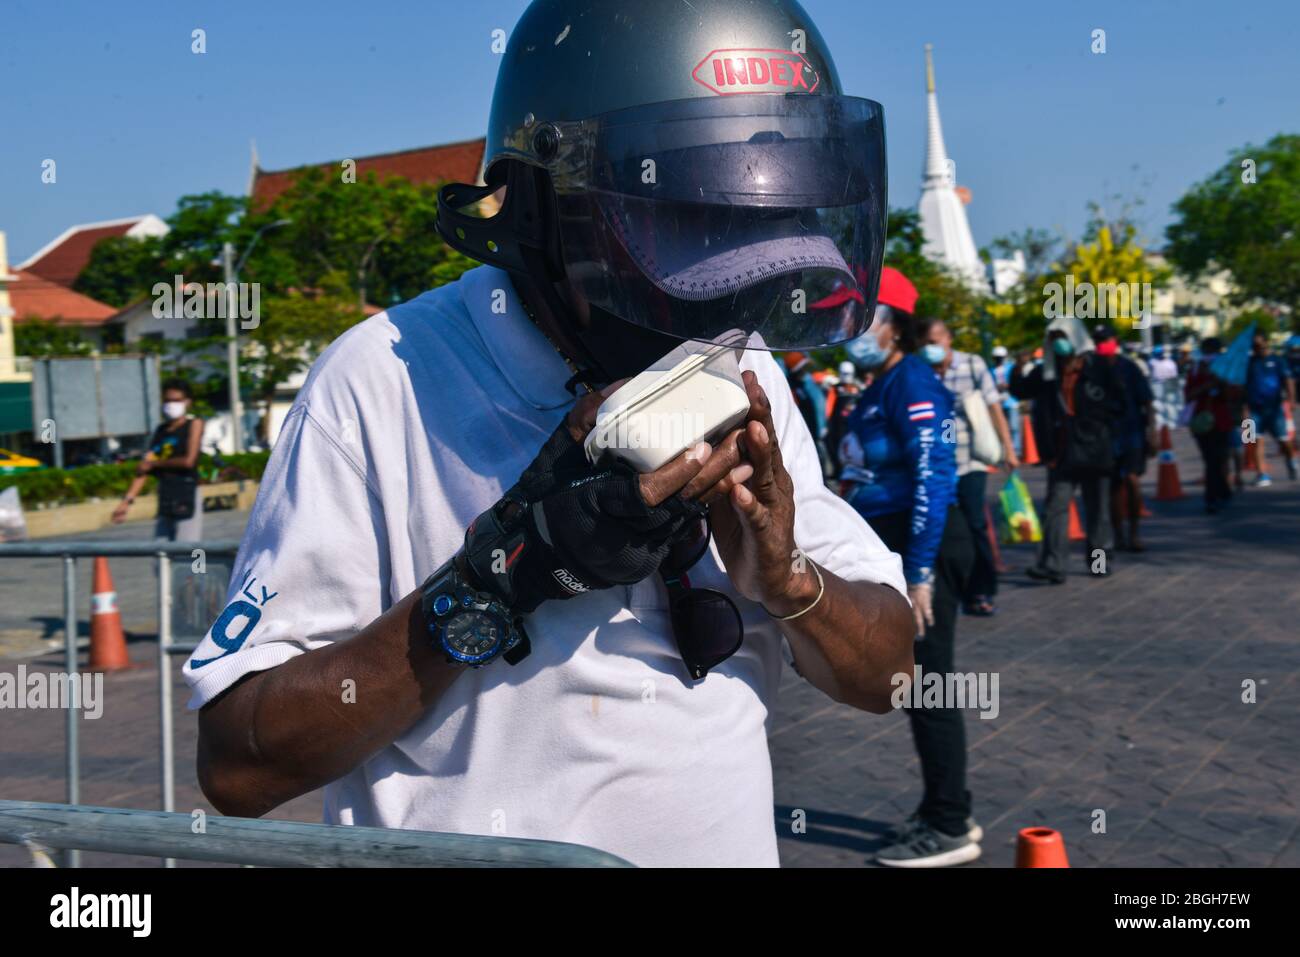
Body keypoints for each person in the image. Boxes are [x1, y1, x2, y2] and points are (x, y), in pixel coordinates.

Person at [184, 0, 916, 869]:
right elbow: (239, 761)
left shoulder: (737, 363)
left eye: (748, 254)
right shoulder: (385, 378)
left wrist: (787, 576)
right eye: (679, 253)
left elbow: (889, 675)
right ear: (539, 211)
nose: (708, 323)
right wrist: (503, 575)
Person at [839, 268, 980, 867]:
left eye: (860, 316)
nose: (848, 329)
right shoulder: (880, 383)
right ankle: (941, 809)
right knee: (918, 687)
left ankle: (950, 825)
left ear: (894, 323)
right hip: (897, 546)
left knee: (931, 687)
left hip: (927, 546)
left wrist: (919, 572)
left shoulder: (913, 383)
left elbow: (934, 476)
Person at [1011, 318, 1126, 583]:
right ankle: (1053, 565)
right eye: (1053, 338)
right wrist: (1019, 367)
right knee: (1055, 509)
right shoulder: (1048, 371)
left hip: (1096, 450)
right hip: (1061, 452)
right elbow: (1020, 391)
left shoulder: (1098, 367)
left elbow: (1120, 402)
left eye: (1062, 336)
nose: (1059, 343)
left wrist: (1099, 424)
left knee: (1098, 511)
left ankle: (1099, 563)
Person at [923, 321, 1018, 616]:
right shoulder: (921, 370)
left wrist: (1008, 448)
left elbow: (993, 407)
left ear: (949, 338)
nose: (931, 346)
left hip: (970, 460)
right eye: (927, 341)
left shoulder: (973, 365)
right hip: (937, 462)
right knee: (945, 526)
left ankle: (981, 589)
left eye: (936, 339)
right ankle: (947, 588)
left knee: (975, 522)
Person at [112, 379, 205, 541]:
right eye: (167, 400)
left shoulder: (194, 424)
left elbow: (188, 461)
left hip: (186, 491)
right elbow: (144, 468)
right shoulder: (161, 430)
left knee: (185, 549)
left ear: (187, 402)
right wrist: (126, 502)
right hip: (166, 493)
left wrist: (155, 464)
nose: (171, 405)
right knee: (161, 551)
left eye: (176, 401)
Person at [1093, 327, 1155, 552]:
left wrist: (1153, 433)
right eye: (1098, 341)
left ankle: (1135, 533)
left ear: (1114, 341)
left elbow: (1147, 401)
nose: (1101, 345)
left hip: (1132, 431)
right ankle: (1118, 535)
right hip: (1105, 434)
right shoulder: (1092, 369)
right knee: (1113, 487)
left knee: (1132, 480)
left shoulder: (1129, 367)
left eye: (1105, 340)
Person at [1184, 337, 1234, 512]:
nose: (1210, 356)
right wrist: (1207, 385)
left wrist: (1221, 382)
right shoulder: (1196, 370)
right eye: (1207, 352)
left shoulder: (1227, 370)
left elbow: (1233, 396)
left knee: (1221, 458)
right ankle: (1213, 497)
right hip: (1202, 423)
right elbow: (1188, 396)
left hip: (1223, 422)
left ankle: (1222, 492)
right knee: (1211, 460)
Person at [1244, 332, 1297, 484]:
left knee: (1284, 440)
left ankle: (1291, 460)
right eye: (1253, 346)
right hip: (1253, 409)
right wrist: (1242, 408)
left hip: (1274, 409)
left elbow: (1288, 380)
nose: (1256, 349)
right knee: (1252, 440)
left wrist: (1291, 400)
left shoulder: (1278, 360)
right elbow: (1242, 386)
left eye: (1259, 345)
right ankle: (1262, 474)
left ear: (1266, 343)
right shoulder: (1249, 363)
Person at [784, 351, 833, 479]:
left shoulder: (805, 385)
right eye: (803, 367)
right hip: (802, 439)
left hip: (813, 436)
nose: (806, 371)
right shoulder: (791, 388)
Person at [1149, 344, 1181, 430]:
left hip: (1163, 383)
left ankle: (1168, 424)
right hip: (1159, 384)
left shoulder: (1152, 362)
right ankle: (1167, 424)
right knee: (1161, 404)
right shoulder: (1169, 362)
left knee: (1166, 404)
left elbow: (1175, 376)